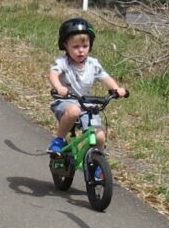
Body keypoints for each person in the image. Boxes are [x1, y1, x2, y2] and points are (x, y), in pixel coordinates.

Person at [48, 16, 128, 154]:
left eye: (85, 46)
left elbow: (105, 77)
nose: (81, 50)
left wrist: (116, 89)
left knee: (100, 136)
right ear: (65, 46)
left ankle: (97, 161)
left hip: (86, 104)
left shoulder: (93, 64)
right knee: (73, 111)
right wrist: (59, 87)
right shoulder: (63, 62)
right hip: (66, 101)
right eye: (75, 47)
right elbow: (53, 74)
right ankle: (59, 140)